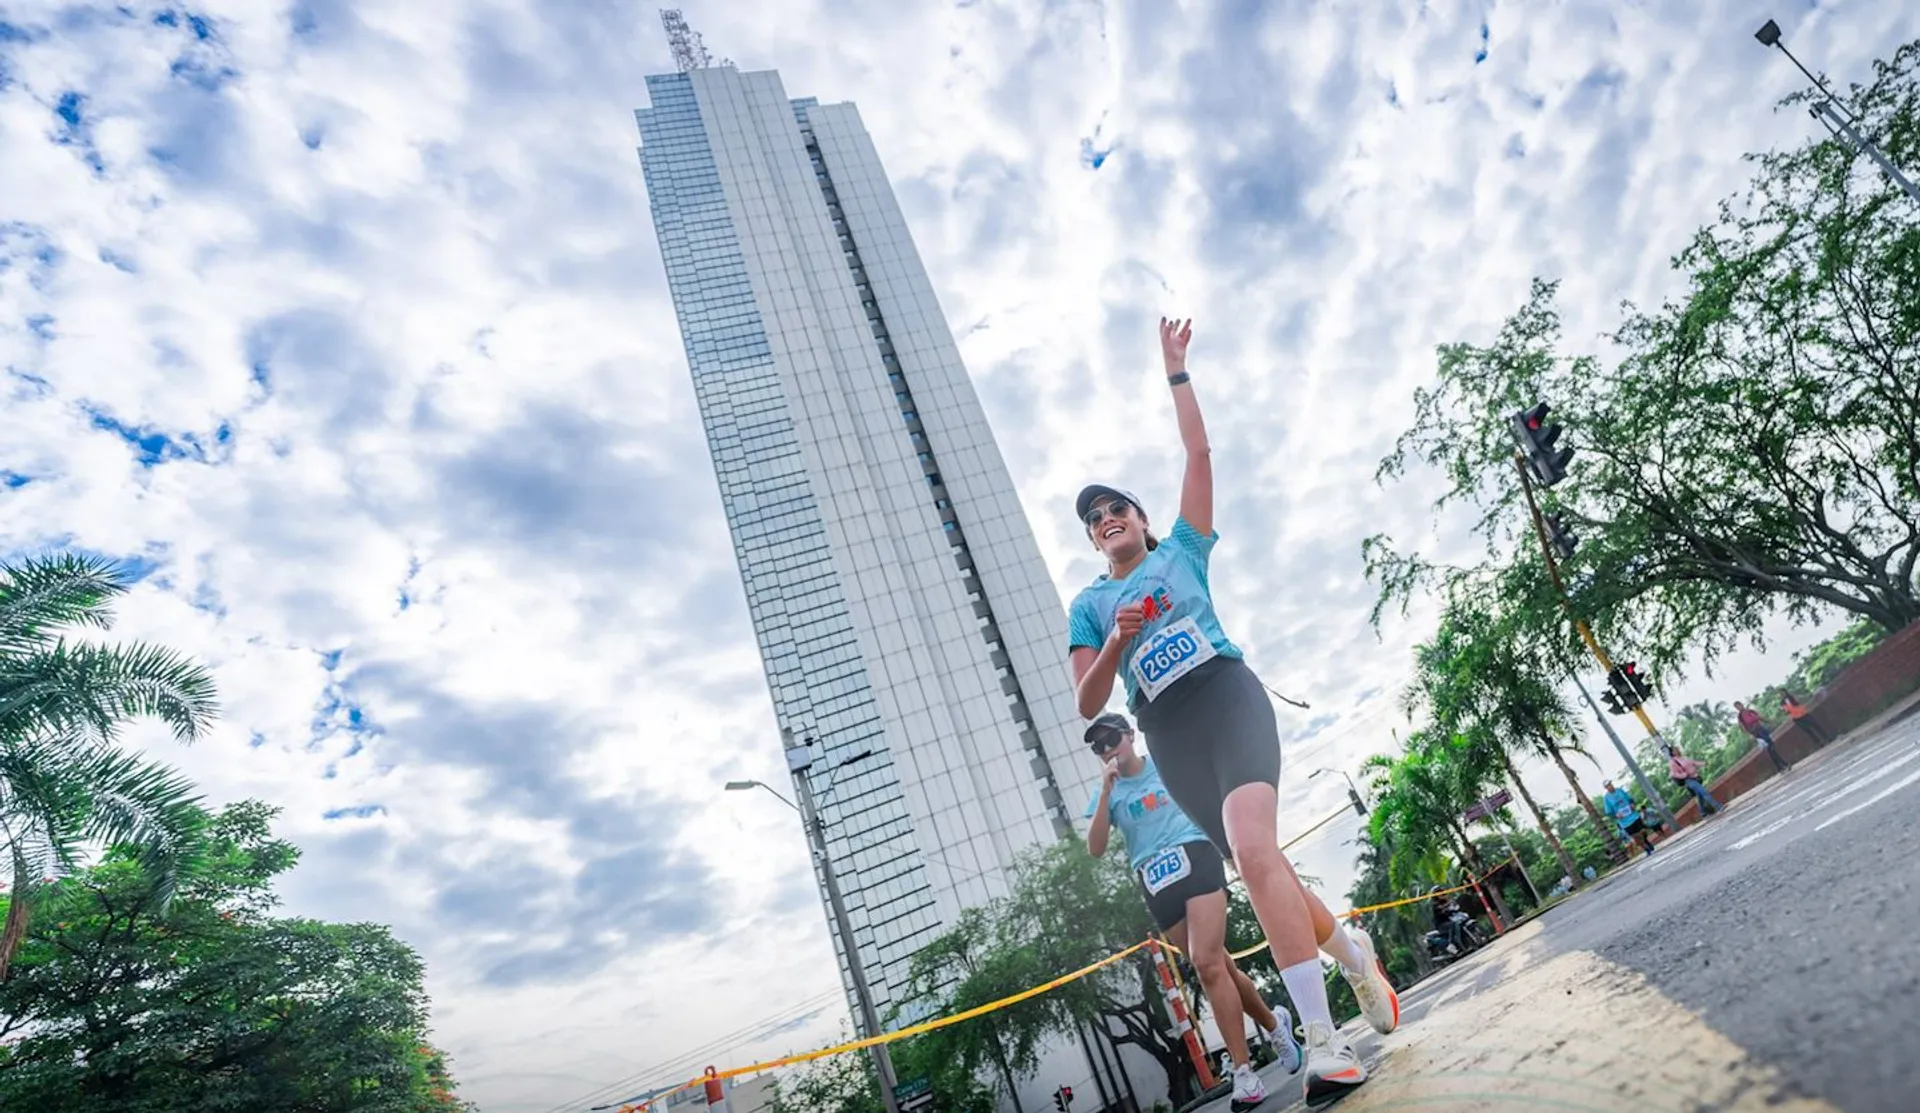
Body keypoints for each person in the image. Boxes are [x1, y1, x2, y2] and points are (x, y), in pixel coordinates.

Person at [1067, 318, 1396, 1109]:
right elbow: (1088, 699)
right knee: (1264, 863)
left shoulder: (1183, 550)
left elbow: (1200, 457)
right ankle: (1355, 957)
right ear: (1092, 540)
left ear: (1143, 520)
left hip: (1226, 695)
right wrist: (1117, 638)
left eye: (1119, 507)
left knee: (1253, 850)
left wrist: (1177, 372)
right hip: (1170, 730)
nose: (1108, 516)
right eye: (1094, 516)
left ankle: (1323, 1042)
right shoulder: (1089, 603)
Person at [1083, 712, 1303, 1082]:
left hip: (1196, 856)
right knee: (1220, 966)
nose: (1107, 750)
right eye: (1098, 746)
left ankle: (1244, 1071)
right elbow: (1096, 847)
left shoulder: (1166, 765)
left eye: (1111, 739)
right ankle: (1274, 1024)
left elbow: (1209, 797)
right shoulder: (1107, 792)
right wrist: (1106, 791)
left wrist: (1232, 848)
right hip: (1155, 880)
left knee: (1205, 963)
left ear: (1130, 735)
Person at [1602, 780, 1657, 857]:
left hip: (1634, 816)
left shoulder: (1620, 790)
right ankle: (1647, 849)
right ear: (1606, 788)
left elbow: (1630, 798)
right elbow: (1608, 812)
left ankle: (1646, 842)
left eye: (1610, 784)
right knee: (1635, 837)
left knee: (1642, 832)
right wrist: (1616, 815)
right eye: (1607, 786)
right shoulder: (1606, 798)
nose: (1610, 786)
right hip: (1625, 822)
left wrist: (1632, 804)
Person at [1736, 700, 1791, 773]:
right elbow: (1742, 727)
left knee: (1771, 749)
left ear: (1741, 704)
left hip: (1761, 730)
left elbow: (1759, 718)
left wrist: (1770, 721)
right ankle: (1784, 764)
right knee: (1770, 748)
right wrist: (1750, 735)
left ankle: (1780, 767)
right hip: (1756, 734)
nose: (1739, 707)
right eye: (1737, 707)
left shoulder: (1750, 711)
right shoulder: (1740, 717)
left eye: (1739, 705)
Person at [1666, 743, 1720, 816]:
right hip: (1688, 780)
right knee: (1703, 792)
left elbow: (1694, 762)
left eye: (1677, 748)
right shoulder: (1673, 762)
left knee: (1699, 795)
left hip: (1695, 777)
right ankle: (1718, 807)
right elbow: (1673, 774)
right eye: (1675, 749)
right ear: (1672, 752)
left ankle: (1703, 812)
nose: (1677, 750)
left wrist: (1704, 763)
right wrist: (1684, 775)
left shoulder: (1684, 758)